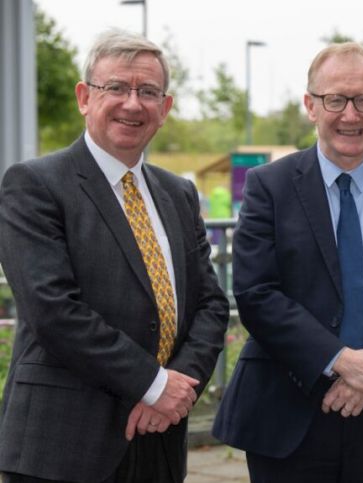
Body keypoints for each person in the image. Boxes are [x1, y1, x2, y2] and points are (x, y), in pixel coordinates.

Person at [212, 42, 363, 482]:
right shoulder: (268, 187)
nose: (351, 115)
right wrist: (341, 360)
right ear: (310, 105)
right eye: (335, 99)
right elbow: (256, 293)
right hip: (288, 416)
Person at [0, 29, 229, 483]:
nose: (132, 103)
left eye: (148, 92)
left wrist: (177, 389)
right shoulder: (34, 185)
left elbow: (211, 303)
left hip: (159, 438)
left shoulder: (178, 193)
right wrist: (153, 383)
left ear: (164, 109)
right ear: (85, 97)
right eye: (116, 88)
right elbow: (53, 311)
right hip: (63, 446)